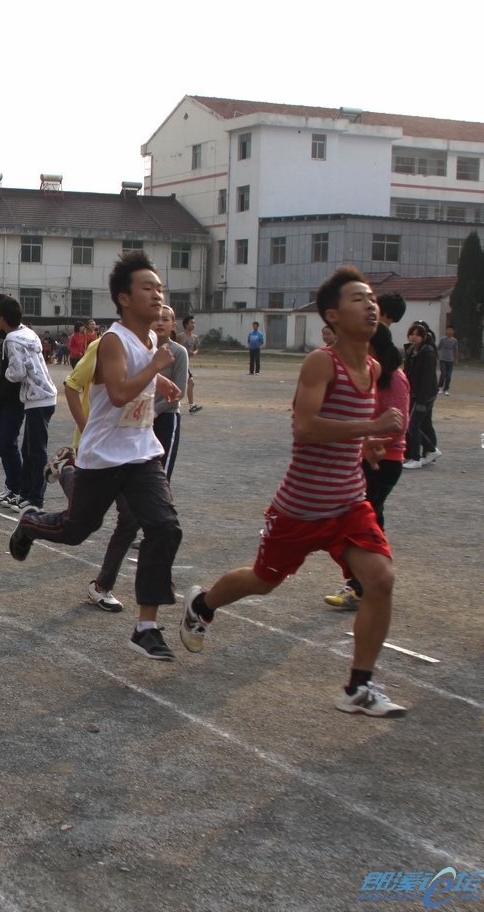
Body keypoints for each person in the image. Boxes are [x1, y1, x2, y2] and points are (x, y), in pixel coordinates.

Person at [180, 266, 408, 717]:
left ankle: (358, 688)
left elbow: (342, 428)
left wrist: (367, 445)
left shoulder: (375, 366)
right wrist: (371, 426)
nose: (370, 304)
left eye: (371, 298)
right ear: (333, 315)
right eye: (358, 298)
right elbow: (304, 428)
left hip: (348, 502)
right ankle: (202, 604)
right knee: (263, 582)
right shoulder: (323, 362)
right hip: (301, 508)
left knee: (380, 579)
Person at [8, 252, 185, 660]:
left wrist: (160, 381)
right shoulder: (111, 340)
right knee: (76, 530)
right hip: (103, 456)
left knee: (164, 526)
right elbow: (120, 391)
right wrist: (157, 367)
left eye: (159, 288)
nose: (157, 295)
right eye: (148, 288)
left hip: (141, 454)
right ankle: (31, 522)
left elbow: (134, 376)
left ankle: (146, 626)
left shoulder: (150, 339)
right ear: (124, 298)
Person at [87, 305, 188, 611]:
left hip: (153, 434)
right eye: (155, 315)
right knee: (83, 521)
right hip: (115, 441)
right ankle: (66, 470)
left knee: (155, 518)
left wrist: (153, 405)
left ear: (173, 326)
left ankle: (124, 590)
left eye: (166, 318)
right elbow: (99, 389)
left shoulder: (173, 352)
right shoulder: (113, 344)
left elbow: (173, 394)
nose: (159, 321)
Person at [325, 322, 409, 611]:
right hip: (365, 456)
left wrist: (369, 437)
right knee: (370, 520)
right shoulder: (367, 375)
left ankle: (363, 587)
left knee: (363, 523)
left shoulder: (394, 378)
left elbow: (398, 425)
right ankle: (369, 583)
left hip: (384, 461)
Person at [3, 299, 57, 512]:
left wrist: (6, 374)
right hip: (41, 397)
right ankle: (27, 494)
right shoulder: (28, 332)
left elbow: (17, 373)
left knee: (36, 451)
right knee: (28, 449)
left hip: (38, 398)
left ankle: (36, 498)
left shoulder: (11, 339)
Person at [0, 294, 26, 509]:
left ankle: (18, 489)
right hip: (1, 398)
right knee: (2, 444)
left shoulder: (16, 337)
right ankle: (12, 486)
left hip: (13, 400)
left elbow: (16, 374)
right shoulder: (0, 335)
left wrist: (0, 395)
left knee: (8, 444)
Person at [402, 322, 440, 470]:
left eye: (417, 335)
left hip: (425, 395)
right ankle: (431, 450)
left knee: (413, 424)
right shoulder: (411, 351)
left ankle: (416, 458)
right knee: (413, 424)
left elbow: (427, 379)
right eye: (411, 334)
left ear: (423, 337)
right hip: (414, 394)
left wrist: (422, 401)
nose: (413, 337)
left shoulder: (428, 353)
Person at [181, 315, 202, 412]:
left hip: (186, 364)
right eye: (191, 323)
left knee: (190, 382)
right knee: (190, 382)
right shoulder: (180, 336)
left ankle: (191, 406)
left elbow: (196, 349)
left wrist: (193, 353)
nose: (193, 325)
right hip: (179, 363)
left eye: (194, 323)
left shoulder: (195, 337)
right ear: (186, 324)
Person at [437, 325, 458, 395]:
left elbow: (455, 351)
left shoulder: (455, 341)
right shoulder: (442, 339)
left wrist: (456, 360)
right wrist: (437, 357)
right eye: (448, 330)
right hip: (443, 359)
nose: (449, 332)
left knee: (448, 375)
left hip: (450, 360)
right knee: (443, 373)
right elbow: (438, 348)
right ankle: (439, 387)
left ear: (453, 332)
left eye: (451, 330)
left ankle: (446, 389)